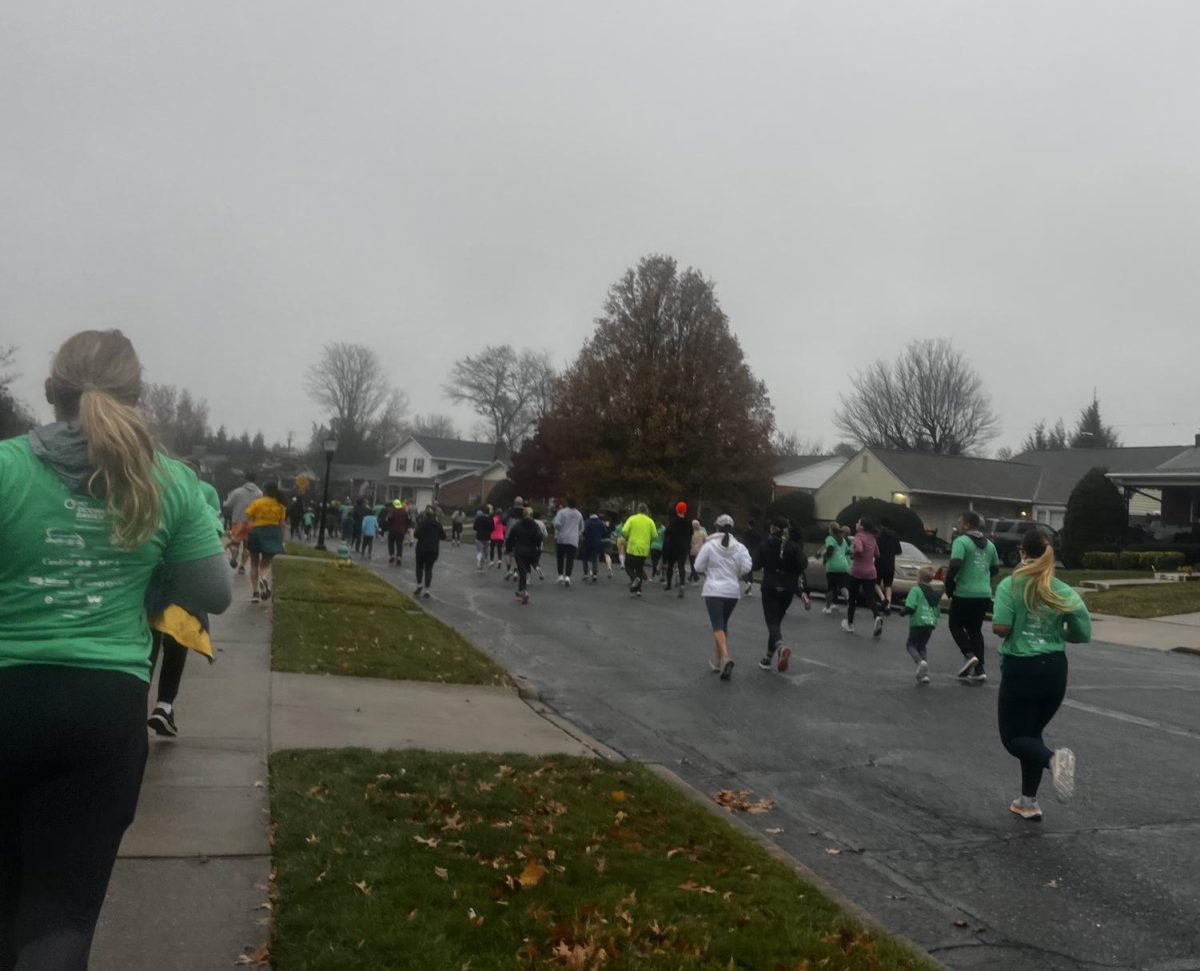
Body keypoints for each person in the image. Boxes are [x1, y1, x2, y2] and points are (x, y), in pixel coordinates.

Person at [0, 329, 231, 969]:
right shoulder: (168, 483)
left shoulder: (6, 467)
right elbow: (213, 592)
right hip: (101, 712)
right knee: (60, 916)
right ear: (136, 396)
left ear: (53, 394)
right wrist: (151, 574)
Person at [993, 530, 1090, 821]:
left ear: (1022, 553)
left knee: (1013, 737)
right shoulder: (1061, 589)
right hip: (1055, 668)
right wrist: (1054, 632)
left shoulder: (1010, 585)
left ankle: (1053, 759)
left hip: (1022, 667)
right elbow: (1083, 632)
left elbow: (1001, 627)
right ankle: (1027, 801)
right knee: (1031, 734)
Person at [147, 460, 225, 738]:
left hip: (148, 587)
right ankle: (164, 705)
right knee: (177, 644)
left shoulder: (151, 494)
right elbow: (213, 546)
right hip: (183, 590)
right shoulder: (199, 503)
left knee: (148, 646)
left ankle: (135, 704)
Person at [694, 514, 753, 681]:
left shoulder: (710, 545)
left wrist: (709, 570)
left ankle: (726, 657)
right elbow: (747, 566)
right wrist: (736, 574)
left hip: (713, 590)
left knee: (717, 626)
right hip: (732, 592)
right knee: (722, 626)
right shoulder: (740, 547)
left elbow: (698, 566)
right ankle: (717, 661)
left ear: (716, 527)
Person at [946, 510, 1000, 683]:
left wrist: (950, 583)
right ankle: (980, 669)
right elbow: (995, 568)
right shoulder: (990, 545)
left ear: (967, 524)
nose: (959, 525)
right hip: (983, 593)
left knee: (954, 624)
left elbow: (955, 563)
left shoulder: (961, 542)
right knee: (975, 630)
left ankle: (968, 654)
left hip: (964, 592)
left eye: (961, 522)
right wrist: (983, 577)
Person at [757, 517, 805, 672]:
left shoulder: (766, 544)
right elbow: (803, 564)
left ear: (772, 528)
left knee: (771, 622)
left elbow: (755, 564)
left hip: (770, 585)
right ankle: (768, 658)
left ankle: (781, 647)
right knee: (776, 623)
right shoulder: (794, 546)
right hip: (788, 588)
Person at [243, 482, 287, 603]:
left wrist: (246, 534)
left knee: (253, 563)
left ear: (265, 491)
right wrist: (282, 540)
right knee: (266, 564)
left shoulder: (257, 503)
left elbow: (247, 519)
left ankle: (255, 592)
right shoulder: (280, 505)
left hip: (257, 532)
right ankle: (264, 578)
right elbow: (282, 525)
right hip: (272, 532)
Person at [899, 565, 942, 685]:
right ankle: (924, 674)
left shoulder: (916, 590)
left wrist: (903, 612)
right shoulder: (934, 594)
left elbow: (910, 607)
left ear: (919, 578)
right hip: (930, 624)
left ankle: (919, 662)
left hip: (918, 622)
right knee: (922, 646)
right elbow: (937, 612)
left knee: (910, 645)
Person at [843, 517, 883, 637]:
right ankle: (877, 617)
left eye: (858, 522)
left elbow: (859, 549)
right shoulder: (872, 537)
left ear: (862, 527)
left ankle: (850, 624)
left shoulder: (859, 536)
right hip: (871, 572)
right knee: (870, 598)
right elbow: (877, 554)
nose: (856, 524)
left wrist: (852, 552)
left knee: (852, 598)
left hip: (857, 571)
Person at [223, 472, 262, 575]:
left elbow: (228, 504)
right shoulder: (259, 493)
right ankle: (242, 566)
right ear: (255, 480)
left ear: (245, 479)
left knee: (235, 542)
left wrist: (226, 500)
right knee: (247, 546)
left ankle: (234, 557)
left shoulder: (237, 492)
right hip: (252, 523)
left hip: (237, 521)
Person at [506, 506, 544, 605]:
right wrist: (537, 545)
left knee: (522, 571)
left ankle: (524, 591)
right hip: (531, 550)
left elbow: (511, 537)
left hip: (520, 551)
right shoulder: (535, 525)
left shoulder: (518, 524)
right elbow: (539, 537)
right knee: (528, 567)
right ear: (531, 515)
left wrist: (509, 549)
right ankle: (536, 566)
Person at [621, 503, 657, 597]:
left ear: (638, 510)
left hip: (632, 547)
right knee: (639, 568)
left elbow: (624, 530)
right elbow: (655, 535)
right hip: (644, 548)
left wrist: (627, 536)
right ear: (646, 511)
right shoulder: (650, 521)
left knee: (628, 565)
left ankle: (634, 578)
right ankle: (638, 590)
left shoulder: (632, 519)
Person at [413, 506, 446, 598]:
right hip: (433, 550)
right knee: (429, 569)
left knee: (419, 567)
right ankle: (427, 590)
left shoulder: (422, 524)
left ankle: (419, 584)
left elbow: (416, 534)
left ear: (426, 515)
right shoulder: (438, 525)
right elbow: (443, 536)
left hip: (421, 549)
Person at [552, 497, 585, 587]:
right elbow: (582, 528)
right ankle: (567, 576)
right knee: (570, 558)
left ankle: (560, 575)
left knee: (560, 557)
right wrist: (577, 533)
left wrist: (559, 530)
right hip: (573, 539)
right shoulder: (579, 514)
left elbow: (557, 524)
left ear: (567, 503)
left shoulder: (561, 512)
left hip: (562, 538)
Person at [663, 502, 692, 597]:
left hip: (673, 547)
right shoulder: (688, 522)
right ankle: (682, 585)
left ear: (676, 510)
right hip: (683, 547)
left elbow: (667, 533)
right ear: (685, 511)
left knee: (670, 565)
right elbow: (690, 534)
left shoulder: (673, 521)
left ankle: (668, 584)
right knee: (681, 566)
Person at [821, 522, 850, 614]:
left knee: (830, 587)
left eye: (829, 529)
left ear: (831, 530)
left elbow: (830, 549)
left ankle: (827, 607)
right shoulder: (843, 540)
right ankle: (849, 600)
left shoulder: (830, 538)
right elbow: (847, 551)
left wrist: (825, 558)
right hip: (844, 566)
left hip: (833, 566)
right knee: (843, 586)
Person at [876, 517, 903, 613]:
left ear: (881, 524)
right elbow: (899, 551)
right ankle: (888, 606)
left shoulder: (878, 535)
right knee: (888, 585)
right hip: (890, 563)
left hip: (879, 562)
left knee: (875, 583)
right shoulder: (894, 536)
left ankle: (883, 599)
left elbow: (875, 549)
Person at [580, 512, 608, 583]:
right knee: (594, 559)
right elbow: (605, 532)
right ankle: (595, 574)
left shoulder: (587, 522)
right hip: (597, 543)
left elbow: (584, 532)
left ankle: (586, 573)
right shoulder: (601, 523)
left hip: (587, 543)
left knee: (585, 558)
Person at [741, 518, 763, 596]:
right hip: (754, 552)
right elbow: (760, 543)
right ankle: (750, 585)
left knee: (743, 568)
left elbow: (743, 542)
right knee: (750, 568)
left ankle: (748, 582)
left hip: (747, 551)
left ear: (748, 525)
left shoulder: (746, 533)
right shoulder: (758, 534)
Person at [384, 498, 409, 565]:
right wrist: (406, 529)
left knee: (391, 543)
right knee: (399, 544)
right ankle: (399, 557)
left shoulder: (392, 511)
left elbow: (388, 519)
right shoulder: (404, 512)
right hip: (401, 531)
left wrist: (387, 527)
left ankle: (392, 555)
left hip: (392, 530)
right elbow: (408, 521)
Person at [473, 505, 493, 570]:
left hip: (479, 537)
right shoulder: (490, 519)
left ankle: (479, 562)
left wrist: (479, 529)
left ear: (483, 512)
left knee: (479, 551)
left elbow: (474, 527)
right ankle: (481, 564)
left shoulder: (479, 519)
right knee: (485, 552)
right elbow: (492, 528)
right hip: (487, 538)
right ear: (489, 512)